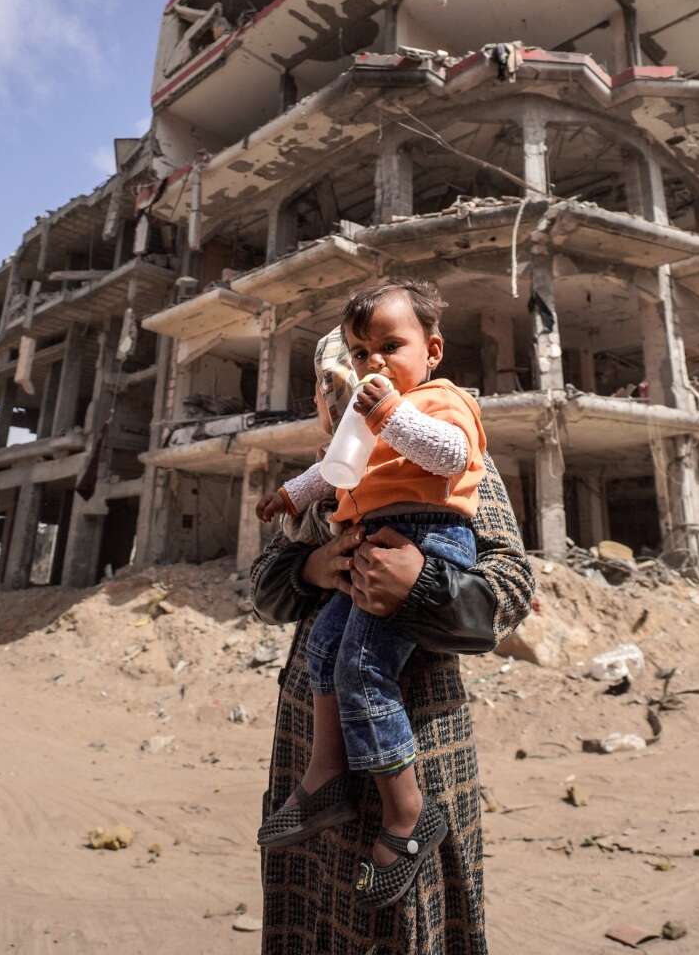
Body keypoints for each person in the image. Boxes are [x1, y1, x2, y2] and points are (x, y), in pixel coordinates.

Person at [250, 320, 534, 952]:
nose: (339, 393)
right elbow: (266, 588)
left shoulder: (448, 459)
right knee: (309, 915)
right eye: (330, 384)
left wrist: (422, 582)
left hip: (419, 737)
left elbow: (510, 589)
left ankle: (407, 819)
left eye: (347, 380)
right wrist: (314, 567)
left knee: (406, 926)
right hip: (310, 747)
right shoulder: (334, 482)